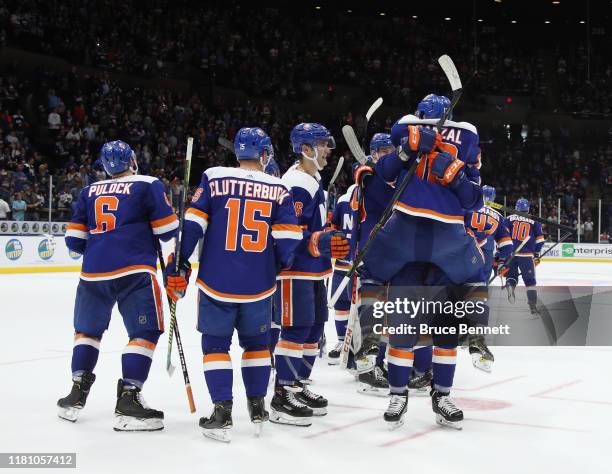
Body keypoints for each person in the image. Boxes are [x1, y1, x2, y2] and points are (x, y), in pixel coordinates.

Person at [163, 127, 303, 442]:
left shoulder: (214, 178)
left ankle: (222, 412)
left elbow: (193, 224)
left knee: (215, 346)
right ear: (264, 154)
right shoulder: (279, 188)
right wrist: (279, 264)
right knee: (255, 346)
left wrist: (180, 263)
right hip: (259, 285)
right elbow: (289, 240)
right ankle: (257, 407)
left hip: (216, 282)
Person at [355, 94, 485, 430]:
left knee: (444, 331)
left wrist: (455, 174)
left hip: (444, 246)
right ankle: (397, 392)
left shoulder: (465, 142)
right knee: (402, 327)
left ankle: (442, 395)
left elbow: (473, 200)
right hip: (407, 242)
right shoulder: (407, 134)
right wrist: (404, 152)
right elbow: (384, 176)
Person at [58, 140, 177, 431]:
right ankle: (129, 397)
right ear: (132, 161)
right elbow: (167, 229)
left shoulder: (88, 191)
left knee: (87, 332)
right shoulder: (148, 183)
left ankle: (76, 393)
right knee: (144, 332)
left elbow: (74, 241)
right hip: (134, 271)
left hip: (93, 275)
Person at [272, 123, 349, 426]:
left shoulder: (311, 178)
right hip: (296, 269)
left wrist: (329, 235)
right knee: (296, 328)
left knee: (314, 328)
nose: (329, 149)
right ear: (306, 149)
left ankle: (297, 384)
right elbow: (287, 230)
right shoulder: (295, 183)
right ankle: (283, 392)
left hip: (314, 268)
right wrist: (319, 240)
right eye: (323, 144)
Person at [502, 198, 545, 315]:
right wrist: (536, 253)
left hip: (510, 253)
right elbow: (540, 240)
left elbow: (503, 235)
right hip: (526, 256)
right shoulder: (534, 221)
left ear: (516, 207)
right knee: (530, 281)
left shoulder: (508, 219)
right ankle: (532, 305)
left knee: (511, 276)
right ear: (528, 208)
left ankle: (510, 285)